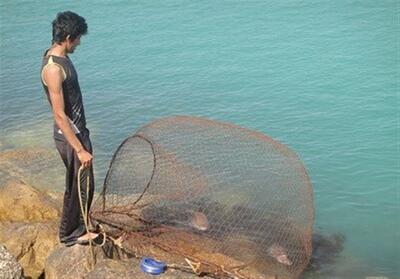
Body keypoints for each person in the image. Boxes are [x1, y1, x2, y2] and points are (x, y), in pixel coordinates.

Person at [40, 11, 98, 246]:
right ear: (68, 37)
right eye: (77, 38)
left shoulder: (57, 56)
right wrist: (79, 149)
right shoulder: (53, 68)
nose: (79, 43)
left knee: (85, 184)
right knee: (77, 185)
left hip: (78, 132)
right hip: (69, 135)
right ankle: (69, 234)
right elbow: (59, 115)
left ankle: (80, 225)